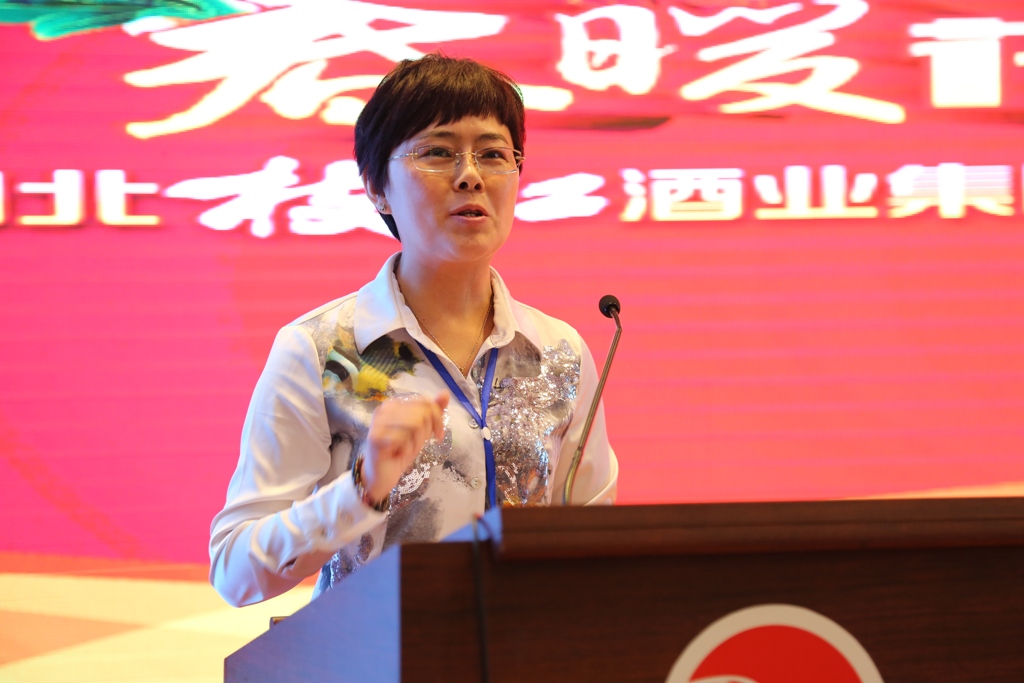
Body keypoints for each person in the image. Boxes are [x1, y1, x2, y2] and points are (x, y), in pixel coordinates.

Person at [209, 54, 618, 608]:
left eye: (494, 154)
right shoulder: (328, 350)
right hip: (372, 648)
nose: (471, 175)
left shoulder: (558, 353)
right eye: (438, 152)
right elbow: (236, 572)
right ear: (377, 187)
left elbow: (596, 543)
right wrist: (362, 488)